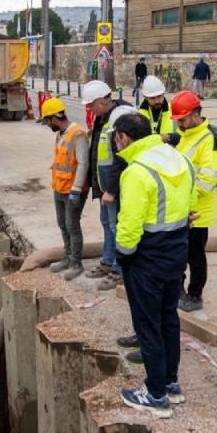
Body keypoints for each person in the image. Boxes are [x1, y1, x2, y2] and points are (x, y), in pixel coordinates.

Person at [110, 113, 195, 418]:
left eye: (116, 137)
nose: (115, 143)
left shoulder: (136, 172)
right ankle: (171, 385)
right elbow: (190, 204)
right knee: (168, 320)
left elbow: (129, 225)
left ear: (124, 137)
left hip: (146, 260)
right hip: (176, 254)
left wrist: (123, 257)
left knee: (148, 327)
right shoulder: (179, 161)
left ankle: (156, 395)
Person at [168, 90, 217, 312]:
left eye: (181, 119)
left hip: (198, 211)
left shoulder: (211, 139)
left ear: (195, 115)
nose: (178, 124)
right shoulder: (187, 134)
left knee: (195, 256)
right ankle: (179, 290)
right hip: (182, 208)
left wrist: (182, 197)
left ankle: (195, 295)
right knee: (180, 254)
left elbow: (208, 181)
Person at [82, 80, 137, 291]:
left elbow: (120, 160)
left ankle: (119, 270)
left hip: (114, 185)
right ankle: (107, 261)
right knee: (107, 223)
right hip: (103, 182)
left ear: (103, 102)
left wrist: (112, 191)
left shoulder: (119, 119)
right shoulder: (102, 118)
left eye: (91, 104)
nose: (89, 108)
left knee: (117, 226)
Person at [39, 97, 89, 280]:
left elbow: (83, 163)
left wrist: (76, 189)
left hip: (73, 191)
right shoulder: (60, 134)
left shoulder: (78, 135)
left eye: (46, 121)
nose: (46, 124)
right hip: (59, 188)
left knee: (72, 226)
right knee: (62, 224)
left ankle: (76, 263)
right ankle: (67, 257)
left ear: (53, 118)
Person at [136, 76, 179, 147]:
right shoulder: (136, 113)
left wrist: (170, 137)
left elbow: (186, 136)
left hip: (170, 156)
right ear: (145, 97)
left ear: (163, 93)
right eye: (152, 98)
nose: (156, 101)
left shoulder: (175, 109)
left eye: (159, 96)